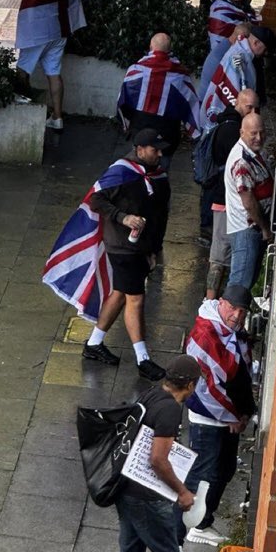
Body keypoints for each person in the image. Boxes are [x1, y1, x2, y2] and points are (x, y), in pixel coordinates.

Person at [92, 354, 203, 552]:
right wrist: (182, 491)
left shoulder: (152, 394)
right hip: (146, 498)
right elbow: (157, 459)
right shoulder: (170, 410)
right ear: (190, 385)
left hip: (126, 491)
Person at [80, 128, 172, 381]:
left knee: (121, 293)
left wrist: (154, 248)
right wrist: (123, 217)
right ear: (140, 149)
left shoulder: (159, 176)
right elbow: (96, 199)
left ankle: (94, 343)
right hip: (122, 246)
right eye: (155, 149)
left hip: (141, 247)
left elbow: (161, 215)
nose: (160, 154)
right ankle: (143, 359)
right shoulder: (121, 172)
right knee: (136, 299)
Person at [177, 284, 256, 552]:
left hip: (226, 417)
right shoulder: (205, 334)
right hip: (208, 419)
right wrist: (234, 416)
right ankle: (173, 542)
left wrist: (244, 412)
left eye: (242, 310)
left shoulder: (228, 331)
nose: (237, 315)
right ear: (221, 303)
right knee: (199, 477)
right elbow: (206, 389)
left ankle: (201, 523)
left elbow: (239, 375)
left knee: (224, 469)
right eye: (233, 308)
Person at [15, 0, 85, 130]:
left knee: (22, 70)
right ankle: (57, 117)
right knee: (53, 73)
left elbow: (30, 4)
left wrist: (24, 34)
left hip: (37, 33)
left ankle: (22, 110)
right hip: (59, 31)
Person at [204, 88, 260, 300]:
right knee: (219, 258)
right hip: (224, 202)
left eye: (256, 108)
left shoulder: (228, 124)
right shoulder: (232, 131)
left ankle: (214, 301)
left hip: (225, 200)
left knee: (223, 257)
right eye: (249, 107)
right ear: (239, 104)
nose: (253, 111)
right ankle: (211, 303)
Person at [116, 32, 201, 171]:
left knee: (136, 172)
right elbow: (191, 107)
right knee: (161, 176)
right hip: (167, 137)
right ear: (170, 50)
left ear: (150, 47)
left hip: (139, 132)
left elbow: (122, 102)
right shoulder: (181, 77)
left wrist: (127, 126)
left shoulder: (134, 71)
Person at [224, 112, 274, 289]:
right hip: (247, 229)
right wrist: (265, 229)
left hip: (253, 228)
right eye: (253, 133)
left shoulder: (253, 152)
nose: (259, 138)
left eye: (261, 132)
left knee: (247, 280)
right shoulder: (242, 163)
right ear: (242, 133)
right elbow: (248, 201)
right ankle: (228, 315)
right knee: (239, 286)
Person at [198, 0, 260, 100]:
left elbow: (254, 25)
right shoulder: (219, 9)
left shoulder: (245, 7)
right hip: (220, 62)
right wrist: (248, 26)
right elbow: (242, 31)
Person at [201, 24, 270, 126]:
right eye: (264, 50)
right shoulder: (233, 58)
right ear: (255, 42)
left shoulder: (231, 52)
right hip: (213, 109)